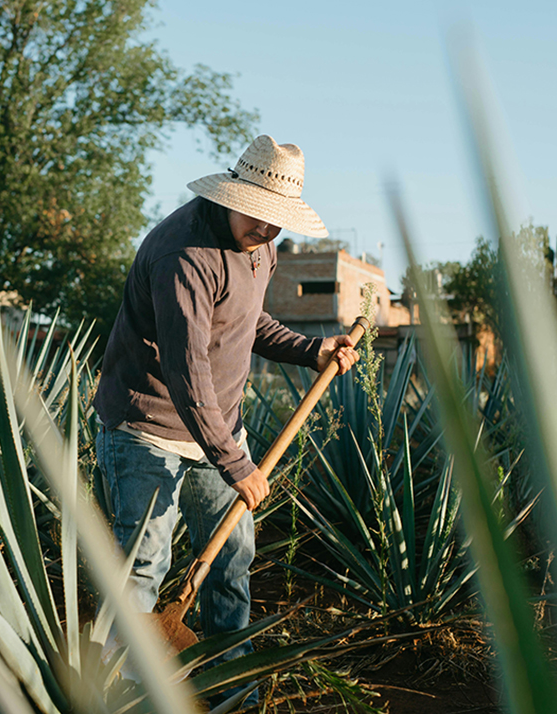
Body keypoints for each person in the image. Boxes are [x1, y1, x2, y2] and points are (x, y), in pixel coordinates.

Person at [93, 135, 359, 699]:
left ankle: (229, 680)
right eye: (260, 217)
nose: (269, 231)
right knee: (143, 565)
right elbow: (187, 370)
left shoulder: (259, 244)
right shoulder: (183, 256)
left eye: (277, 222)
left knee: (232, 556)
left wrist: (312, 350)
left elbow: (246, 322)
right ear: (232, 196)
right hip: (148, 425)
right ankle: (122, 694)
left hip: (216, 431)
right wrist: (237, 463)